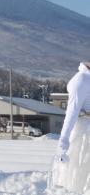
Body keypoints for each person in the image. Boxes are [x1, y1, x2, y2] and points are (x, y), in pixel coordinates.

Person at [49, 61, 90, 193]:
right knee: (82, 176)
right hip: (85, 135)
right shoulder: (82, 80)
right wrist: (63, 142)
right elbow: (71, 113)